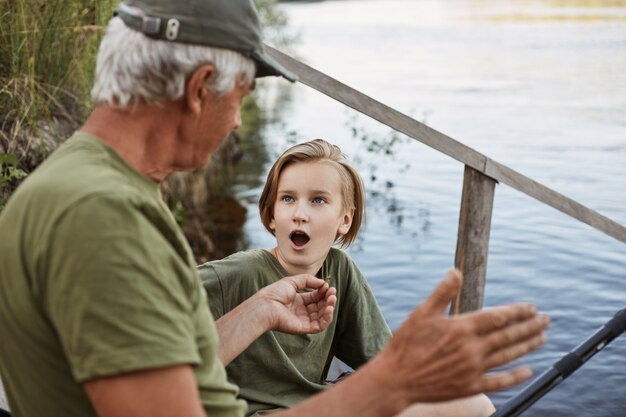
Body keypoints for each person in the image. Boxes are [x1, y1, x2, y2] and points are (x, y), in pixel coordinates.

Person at [0, 1, 550, 417]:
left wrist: (260, 310)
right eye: (240, 98)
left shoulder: (84, 181)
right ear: (199, 89)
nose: (238, 121)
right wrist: (388, 386)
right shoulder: (102, 217)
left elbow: (173, 369)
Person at [199, 139, 494, 416]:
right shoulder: (235, 274)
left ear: (345, 220)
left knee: (474, 403)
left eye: (318, 200)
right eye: (288, 198)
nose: (300, 213)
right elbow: (161, 326)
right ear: (272, 215)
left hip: (317, 404)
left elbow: (382, 364)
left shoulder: (340, 270)